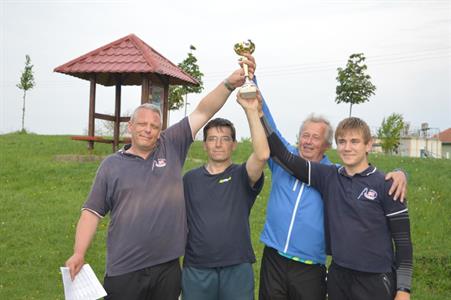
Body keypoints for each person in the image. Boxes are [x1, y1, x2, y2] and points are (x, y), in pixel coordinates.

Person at [64, 56, 256, 300]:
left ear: (160, 129)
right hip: (124, 269)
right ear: (130, 127)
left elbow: (204, 111)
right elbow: (92, 212)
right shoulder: (111, 166)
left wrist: (228, 84)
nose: (148, 129)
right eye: (142, 124)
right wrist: (79, 252)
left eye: (154, 126)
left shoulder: (171, 145)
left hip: (167, 268)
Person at [256, 79, 407, 300]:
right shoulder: (305, 167)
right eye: (304, 136)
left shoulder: (349, 177)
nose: (307, 141)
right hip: (289, 262)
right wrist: (255, 93)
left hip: (325, 270)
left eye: (315, 137)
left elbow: (402, 241)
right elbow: (273, 135)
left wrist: (402, 172)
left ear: (327, 145)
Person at [181, 91, 268, 300]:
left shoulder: (242, 175)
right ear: (205, 145)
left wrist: (251, 111)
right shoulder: (189, 179)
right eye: (212, 139)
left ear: (234, 144)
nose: (218, 144)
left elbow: (263, 154)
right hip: (197, 268)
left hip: (236, 266)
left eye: (224, 139)